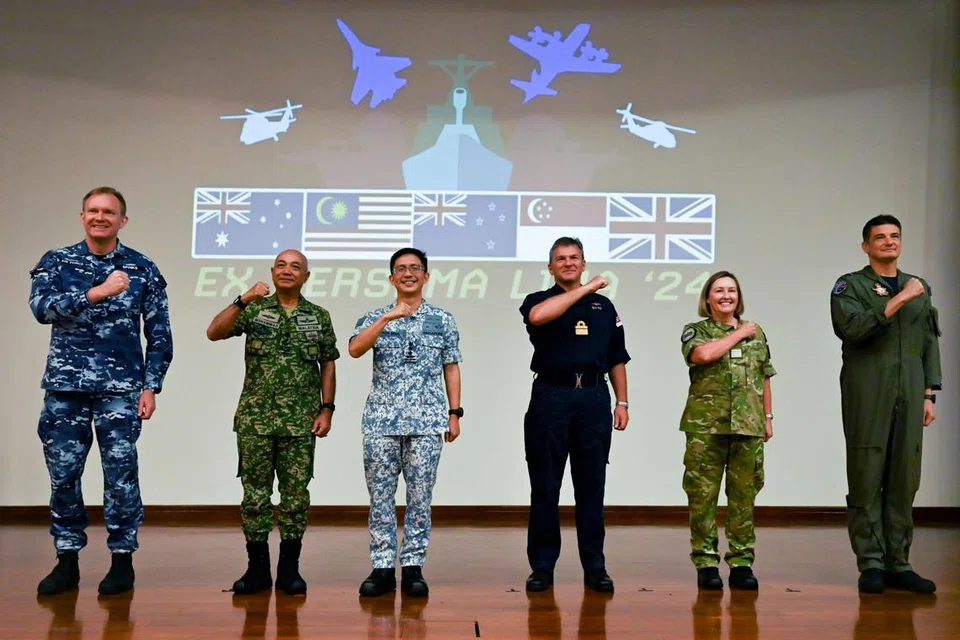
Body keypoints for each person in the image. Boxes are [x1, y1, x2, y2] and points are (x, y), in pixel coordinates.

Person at [29, 186, 173, 596]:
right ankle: (67, 559)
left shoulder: (142, 267)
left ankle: (122, 560)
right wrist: (96, 293)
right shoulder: (57, 261)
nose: (100, 217)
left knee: (121, 475)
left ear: (122, 221)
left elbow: (160, 333)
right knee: (63, 476)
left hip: (121, 390)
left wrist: (151, 386)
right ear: (82, 217)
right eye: (93, 210)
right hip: (65, 389)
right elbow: (41, 308)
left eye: (108, 212)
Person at [206, 249, 338, 595]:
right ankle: (257, 570)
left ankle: (289, 571)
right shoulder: (254, 310)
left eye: (296, 266)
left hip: (301, 423)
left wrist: (327, 409)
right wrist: (242, 298)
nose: (287, 270)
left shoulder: (319, 316)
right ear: (272, 271)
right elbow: (214, 332)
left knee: (296, 498)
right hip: (256, 420)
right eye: (281, 265)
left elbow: (328, 365)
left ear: (306, 276)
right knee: (255, 497)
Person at [830, 214, 941, 594]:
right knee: (866, 473)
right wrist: (898, 300)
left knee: (904, 477)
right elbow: (853, 328)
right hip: (868, 388)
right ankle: (871, 563)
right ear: (866, 246)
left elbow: (929, 342)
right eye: (880, 237)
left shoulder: (919, 286)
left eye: (895, 236)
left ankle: (900, 562)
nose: (889, 242)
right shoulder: (851, 285)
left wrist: (929, 393)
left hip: (910, 390)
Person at [519, 236, 630, 594]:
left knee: (591, 487)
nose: (568, 263)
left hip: (594, 398)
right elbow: (539, 318)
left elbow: (617, 357)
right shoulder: (538, 300)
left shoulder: (604, 306)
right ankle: (542, 567)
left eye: (574, 258)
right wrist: (589, 288)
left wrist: (622, 402)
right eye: (560, 259)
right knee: (546, 486)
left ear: (583, 263)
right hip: (552, 395)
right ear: (550, 268)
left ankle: (595, 567)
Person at [349, 248, 462, 598]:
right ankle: (382, 568)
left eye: (415, 268)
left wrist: (454, 413)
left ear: (426, 276)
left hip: (427, 422)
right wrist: (388, 318)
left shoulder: (442, 320)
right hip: (381, 422)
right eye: (401, 269)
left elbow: (452, 366)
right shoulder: (375, 317)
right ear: (392, 278)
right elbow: (354, 350)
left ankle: (413, 567)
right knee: (380, 498)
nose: (408, 273)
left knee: (420, 498)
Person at [678, 270, 775, 591]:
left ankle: (742, 562)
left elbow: (764, 376)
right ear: (707, 298)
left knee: (744, 497)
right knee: (702, 496)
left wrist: (768, 417)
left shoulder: (757, 333)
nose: (725, 296)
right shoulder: (697, 330)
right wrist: (737, 333)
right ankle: (706, 562)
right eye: (718, 291)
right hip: (706, 427)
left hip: (748, 426)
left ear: (738, 297)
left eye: (731, 290)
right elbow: (703, 355)